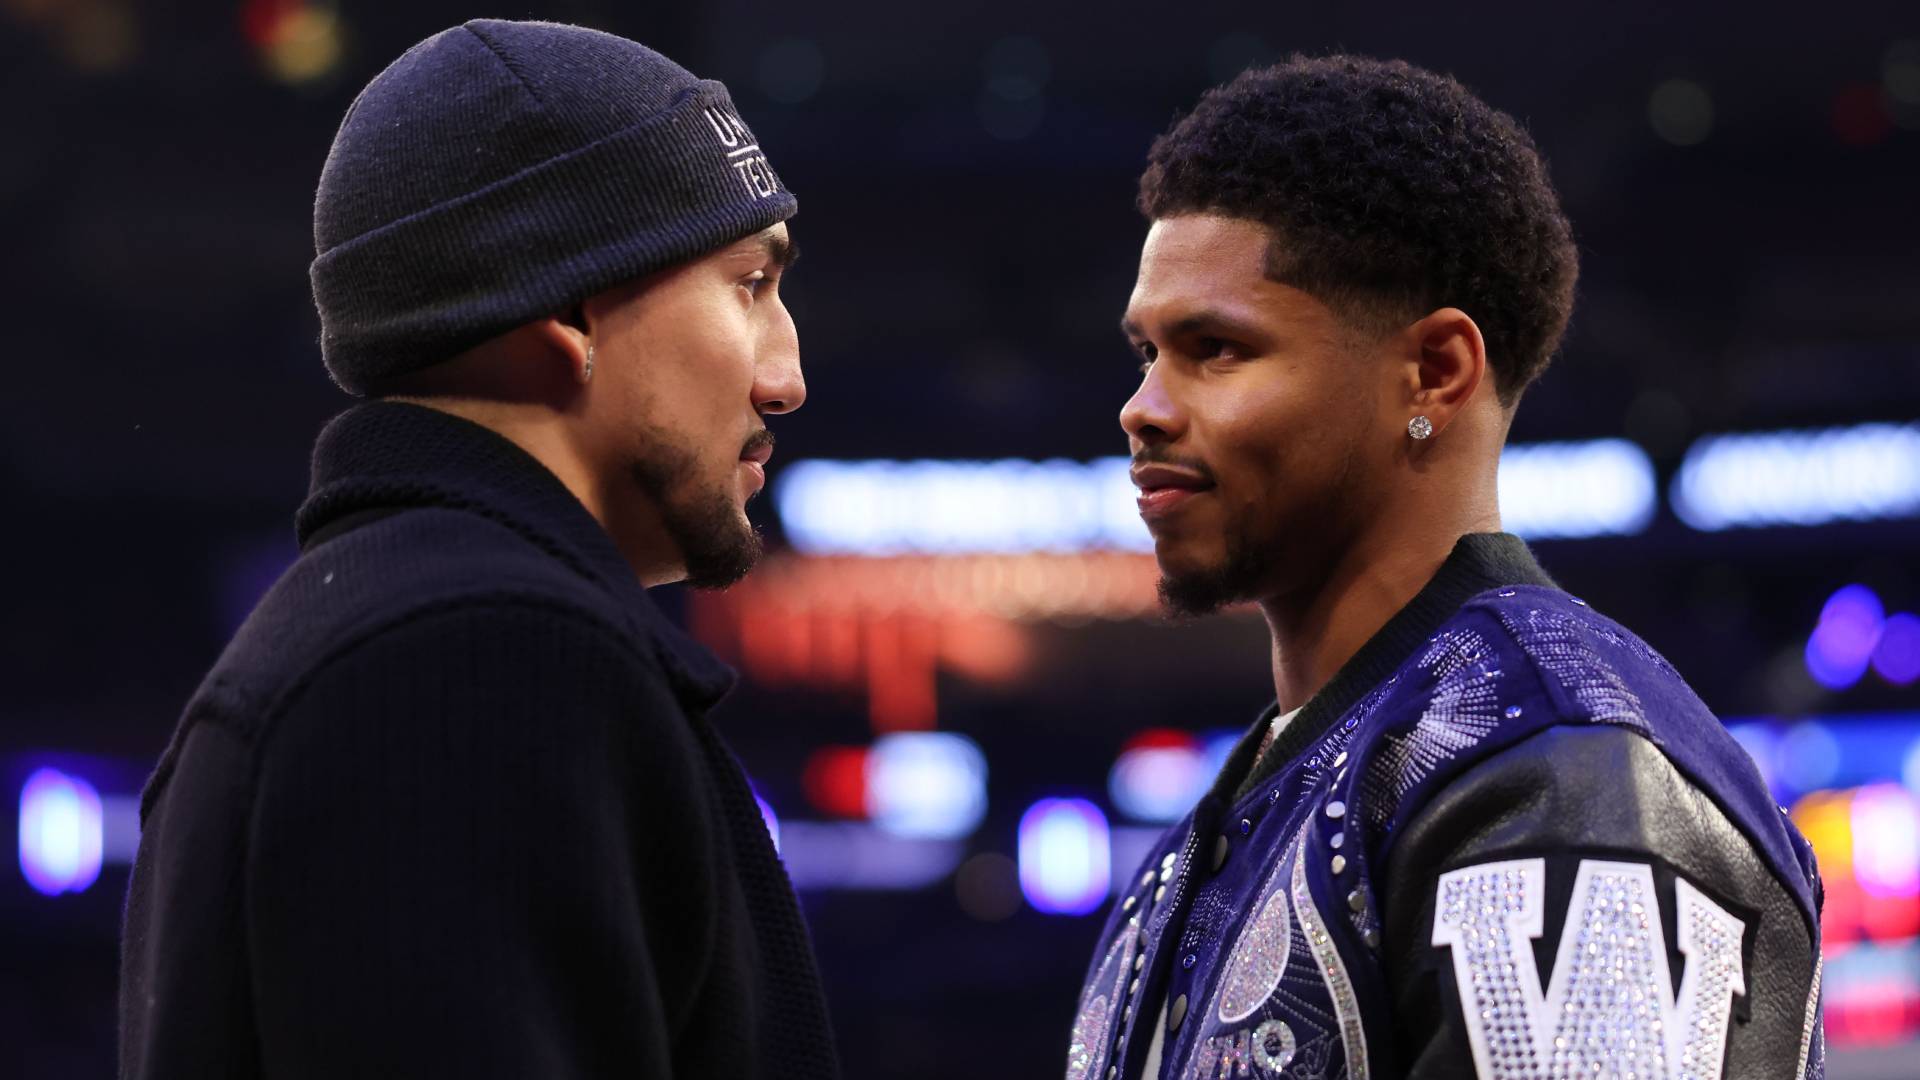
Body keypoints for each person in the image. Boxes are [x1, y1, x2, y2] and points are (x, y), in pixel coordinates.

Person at [1067, 56, 1824, 1080]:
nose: (1144, 407)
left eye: (1214, 348)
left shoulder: (1566, 783)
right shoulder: (1218, 826)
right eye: (1145, 351)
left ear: (1435, 372)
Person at [119, 20, 837, 1079]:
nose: (787, 378)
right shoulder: (472, 659)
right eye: (748, 283)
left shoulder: (392, 627)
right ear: (572, 309)